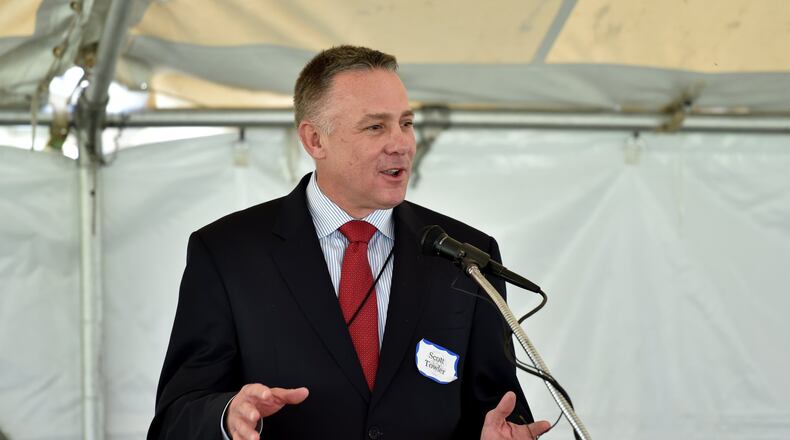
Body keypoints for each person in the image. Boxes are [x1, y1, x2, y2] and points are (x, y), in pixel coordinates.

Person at [148, 45, 551, 440]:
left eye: (406, 123)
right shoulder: (227, 252)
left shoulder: (466, 255)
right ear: (315, 140)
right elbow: (176, 417)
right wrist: (227, 416)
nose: (401, 143)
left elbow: (499, 405)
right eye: (375, 127)